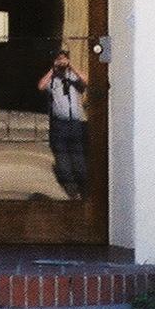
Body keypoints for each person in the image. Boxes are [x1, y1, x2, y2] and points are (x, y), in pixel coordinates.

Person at [37, 47, 88, 200]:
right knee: (62, 159)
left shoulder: (73, 76)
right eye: (58, 59)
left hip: (76, 123)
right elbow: (41, 86)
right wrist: (53, 69)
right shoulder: (53, 79)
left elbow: (86, 81)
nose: (61, 62)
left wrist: (71, 66)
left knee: (79, 158)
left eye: (63, 58)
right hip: (60, 124)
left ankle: (84, 189)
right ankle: (71, 192)